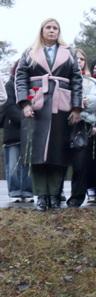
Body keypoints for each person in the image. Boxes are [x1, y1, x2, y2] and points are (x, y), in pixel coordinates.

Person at [14, 18, 83, 211]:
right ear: (42, 30)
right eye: (48, 28)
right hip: (37, 107)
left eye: (55, 28)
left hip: (61, 107)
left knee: (58, 152)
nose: (52, 31)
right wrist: (25, 104)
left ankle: (54, 194)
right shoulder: (29, 52)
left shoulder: (69, 53)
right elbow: (20, 78)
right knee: (37, 153)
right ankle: (41, 196)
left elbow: (77, 80)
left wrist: (76, 108)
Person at [67, 51, 96, 207]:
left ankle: (77, 197)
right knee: (59, 162)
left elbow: (95, 101)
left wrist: (78, 107)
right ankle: (55, 194)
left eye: (82, 58)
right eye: (76, 58)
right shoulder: (63, 79)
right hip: (62, 124)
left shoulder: (90, 82)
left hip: (82, 125)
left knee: (80, 163)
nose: (79, 61)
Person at [2, 64, 34, 202]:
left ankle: (27, 191)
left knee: (27, 163)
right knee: (13, 163)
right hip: (13, 131)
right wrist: (24, 118)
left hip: (30, 131)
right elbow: (8, 105)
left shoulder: (31, 86)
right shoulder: (10, 85)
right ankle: (15, 191)